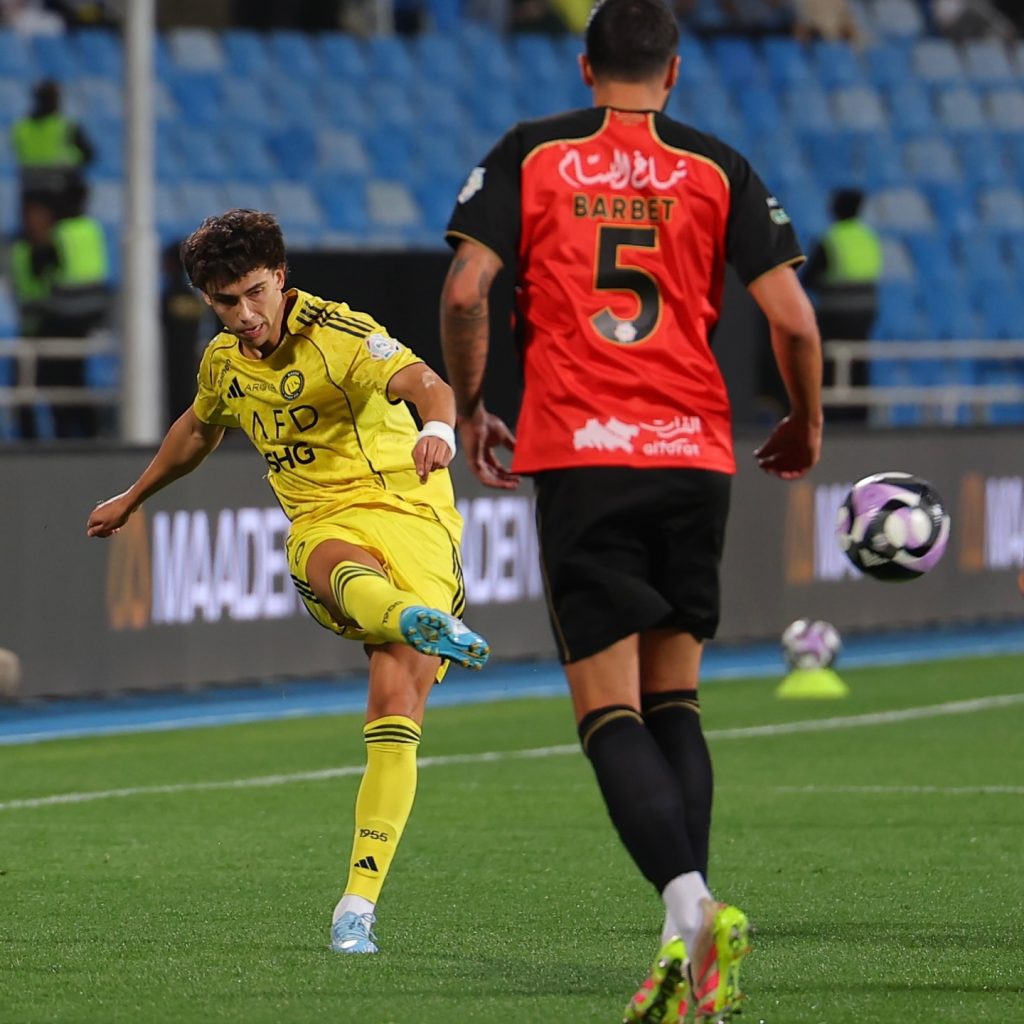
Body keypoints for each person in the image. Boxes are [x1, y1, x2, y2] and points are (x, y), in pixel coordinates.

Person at [439, 1, 823, 1020]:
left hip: (581, 451)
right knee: (676, 703)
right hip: (694, 454)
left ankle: (692, 904)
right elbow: (792, 318)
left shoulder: (532, 152)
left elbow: (469, 288)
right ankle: (683, 939)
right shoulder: (717, 165)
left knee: (606, 711)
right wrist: (806, 424)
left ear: (583, 65)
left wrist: (473, 405)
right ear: (675, 73)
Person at [86, 209, 490, 956]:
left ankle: (357, 903)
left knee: (394, 704)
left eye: (252, 294)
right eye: (223, 302)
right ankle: (355, 909)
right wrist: (134, 496)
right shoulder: (224, 363)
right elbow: (198, 429)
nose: (242, 315)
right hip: (330, 523)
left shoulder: (341, 335)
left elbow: (425, 382)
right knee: (324, 558)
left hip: (413, 514)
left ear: (281, 278)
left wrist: (439, 428)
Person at [9, 183, 110, 439]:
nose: (33, 221)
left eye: (38, 214)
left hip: (61, 329)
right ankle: (30, 442)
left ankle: (84, 438)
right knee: (25, 389)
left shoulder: (56, 245)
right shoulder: (21, 249)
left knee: (68, 388)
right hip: (33, 331)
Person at [802, 187, 883, 425]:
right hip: (866, 315)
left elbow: (808, 279)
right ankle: (860, 414)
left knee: (831, 365)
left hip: (835, 315)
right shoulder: (869, 239)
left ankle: (834, 415)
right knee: (858, 364)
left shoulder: (831, 240)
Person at [10, 79, 94, 201]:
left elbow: (18, 151)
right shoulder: (66, 126)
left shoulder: (20, 128)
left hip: (30, 190)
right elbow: (89, 155)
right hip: (61, 191)